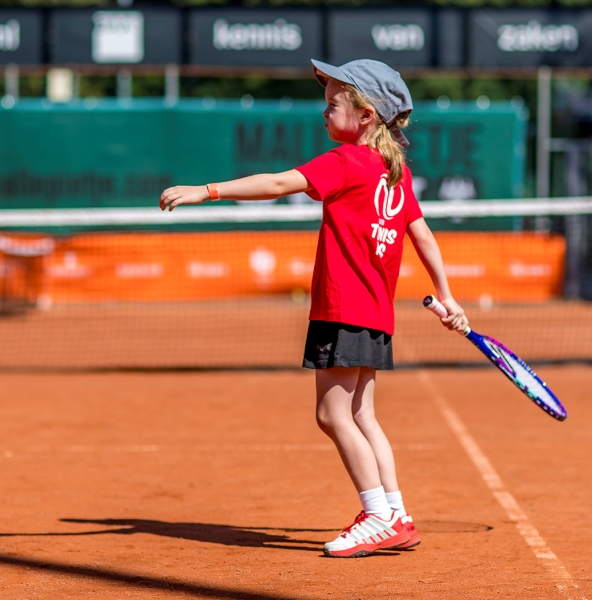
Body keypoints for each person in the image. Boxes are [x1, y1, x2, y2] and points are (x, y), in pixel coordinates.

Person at [160, 59, 468, 558]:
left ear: (366, 115)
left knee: (332, 414)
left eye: (332, 104)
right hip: (374, 315)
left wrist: (206, 191)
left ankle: (378, 516)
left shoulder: (347, 161)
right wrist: (447, 294)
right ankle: (396, 512)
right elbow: (423, 236)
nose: (323, 112)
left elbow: (276, 184)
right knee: (362, 415)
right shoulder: (396, 173)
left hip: (343, 309)